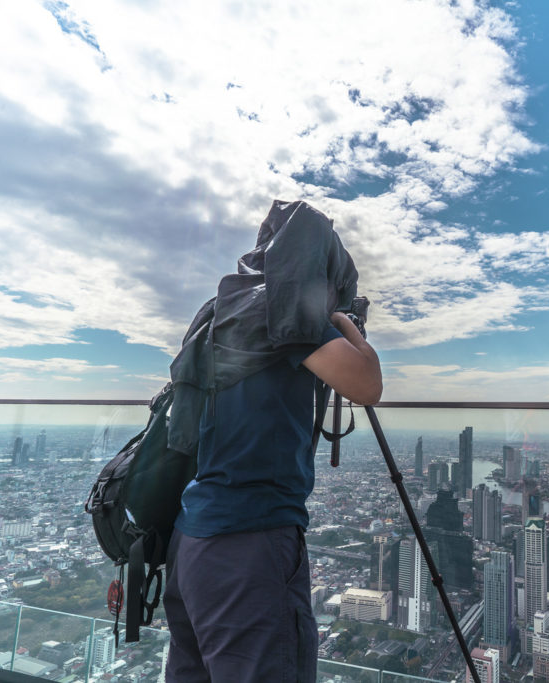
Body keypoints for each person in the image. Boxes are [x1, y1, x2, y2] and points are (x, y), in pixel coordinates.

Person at [163, 201, 382, 682]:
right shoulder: (287, 310)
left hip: (191, 539)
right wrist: (346, 324)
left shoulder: (220, 311)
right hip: (250, 545)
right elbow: (366, 384)